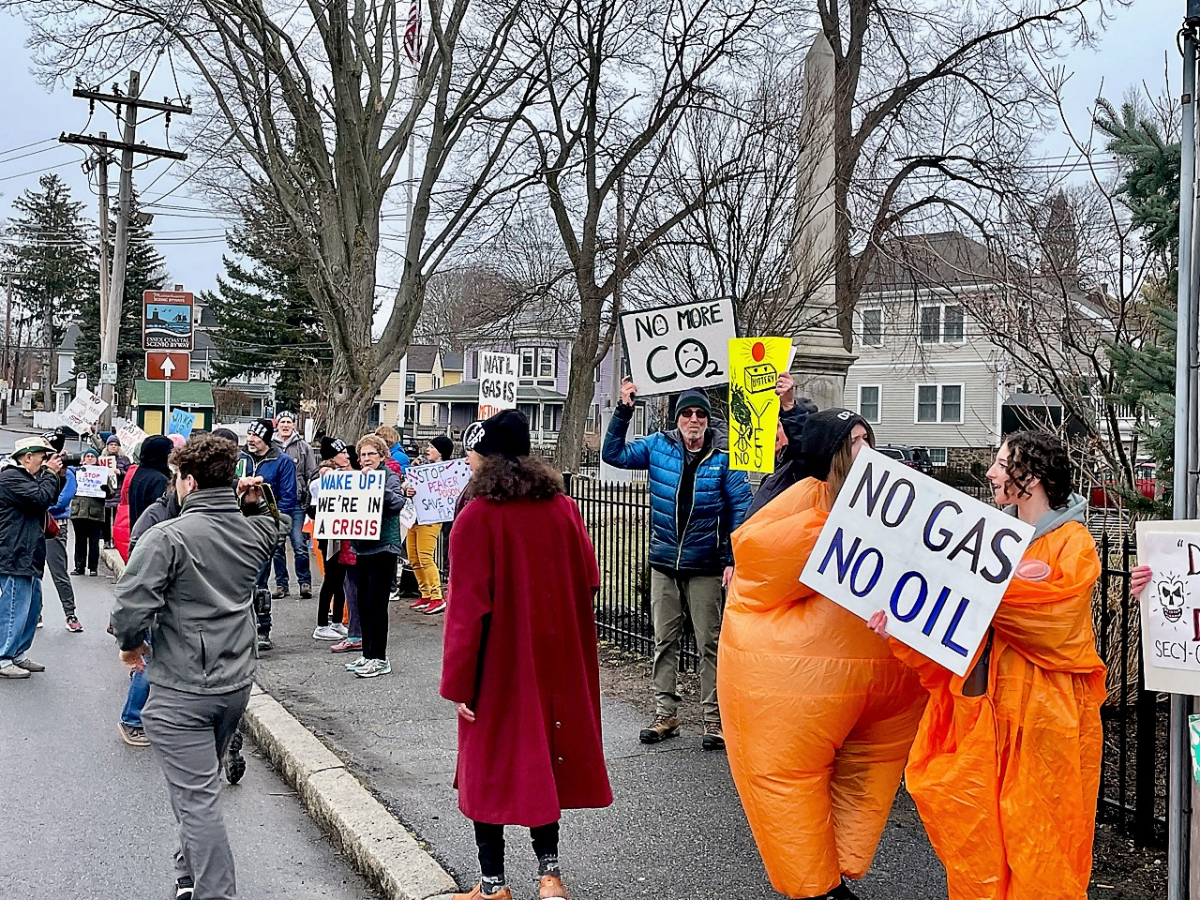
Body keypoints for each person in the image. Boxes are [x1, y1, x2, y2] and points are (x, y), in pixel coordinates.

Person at [864, 431, 1120, 900]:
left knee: (1039, 834)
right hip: (988, 713)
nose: (991, 472)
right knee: (981, 835)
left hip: (1046, 720)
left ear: (1032, 477)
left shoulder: (1072, 542)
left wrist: (988, 586)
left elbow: (1055, 624)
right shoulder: (991, 544)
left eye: (1002, 464)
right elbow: (959, 628)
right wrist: (902, 628)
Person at [717, 409, 927, 899]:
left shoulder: (891, 507)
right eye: (854, 442)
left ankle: (834, 876)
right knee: (790, 786)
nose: (866, 450)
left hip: (875, 687)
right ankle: (817, 886)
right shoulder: (799, 509)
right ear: (831, 455)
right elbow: (762, 559)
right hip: (795, 684)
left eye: (867, 438)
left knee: (859, 800)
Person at [442, 410, 612, 900]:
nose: (468, 461)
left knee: (486, 766)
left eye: (472, 453)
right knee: (546, 759)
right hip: (555, 655)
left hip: (497, 663)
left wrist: (459, 684)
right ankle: (549, 874)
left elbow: (466, 611)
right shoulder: (562, 506)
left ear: (485, 458)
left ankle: (493, 884)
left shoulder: (476, 516)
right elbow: (589, 577)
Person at [110, 434, 288, 900]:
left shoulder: (167, 537)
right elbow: (279, 524)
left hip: (183, 684)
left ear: (186, 481)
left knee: (197, 800)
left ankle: (214, 893)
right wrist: (255, 499)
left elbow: (130, 606)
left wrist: (130, 648)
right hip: (235, 680)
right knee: (200, 788)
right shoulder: (255, 532)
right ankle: (188, 876)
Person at [601, 378, 753, 748]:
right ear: (677, 418)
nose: (694, 420)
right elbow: (613, 454)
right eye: (687, 413)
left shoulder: (725, 456)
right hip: (665, 562)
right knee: (663, 640)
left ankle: (714, 720)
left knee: (710, 644)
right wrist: (624, 409)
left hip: (705, 565)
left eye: (700, 414)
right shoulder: (658, 447)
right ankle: (664, 715)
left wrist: (733, 558)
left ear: (708, 420)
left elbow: (740, 510)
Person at [116, 472, 183, 749]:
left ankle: (160, 717)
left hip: (172, 600)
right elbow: (138, 555)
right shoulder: (157, 514)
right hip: (156, 600)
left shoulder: (180, 511)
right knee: (151, 662)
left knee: (162, 662)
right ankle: (131, 720)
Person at [0, 436, 65, 679]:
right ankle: (3, 657)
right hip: (14, 553)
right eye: (43, 457)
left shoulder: (26, 479)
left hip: (27, 554)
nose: (47, 462)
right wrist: (50, 473)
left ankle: (17, 653)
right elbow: (41, 498)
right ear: (28, 457)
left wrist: (56, 474)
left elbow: (49, 497)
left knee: (31, 607)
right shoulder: (10, 477)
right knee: (14, 606)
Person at [347, 434, 405, 678]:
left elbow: (397, 503)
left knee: (376, 603)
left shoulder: (389, 477)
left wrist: (376, 485)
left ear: (382, 456)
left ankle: (380, 657)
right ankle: (368, 654)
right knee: (362, 602)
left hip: (383, 546)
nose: (367, 458)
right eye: (363, 454)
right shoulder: (355, 479)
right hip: (362, 546)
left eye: (372, 453)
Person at [237, 418, 298, 649]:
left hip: (265, 528)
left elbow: (288, 497)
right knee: (243, 580)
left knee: (260, 579)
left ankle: (263, 628)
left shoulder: (281, 462)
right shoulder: (241, 459)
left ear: (266, 437)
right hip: (241, 528)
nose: (251, 439)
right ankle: (243, 628)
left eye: (256, 435)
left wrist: (278, 528)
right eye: (249, 434)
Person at [744, 372, 818, 520]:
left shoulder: (800, 470)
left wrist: (789, 407)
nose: (773, 433)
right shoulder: (776, 468)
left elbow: (803, 449)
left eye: (779, 426)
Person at [406, 434, 455, 616]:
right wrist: (406, 489)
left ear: (441, 451)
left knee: (425, 556)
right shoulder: (419, 466)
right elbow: (407, 484)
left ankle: (436, 596)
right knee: (414, 557)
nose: (427, 449)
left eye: (432, 447)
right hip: (414, 517)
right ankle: (425, 593)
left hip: (431, 517)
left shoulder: (445, 471)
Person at [311, 437, 354, 641]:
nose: (346, 456)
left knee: (340, 578)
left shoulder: (346, 474)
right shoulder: (322, 478)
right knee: (331, 577)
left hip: (343, 533)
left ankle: (337, 621)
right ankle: (321, 624)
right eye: (342, 453)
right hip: (329, 534)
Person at [271, 411, 316, 598]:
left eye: (289, 422)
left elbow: (312, 474)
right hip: (275, 502)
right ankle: (281, 585)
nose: (286, 425)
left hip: (297, 502)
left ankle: (305, 582)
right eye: (282, 422)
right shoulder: (270, 447)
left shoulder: (304, 447)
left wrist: (308, 500)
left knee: (298, 543)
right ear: (277, 425)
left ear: (294, 425)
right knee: (277, 545)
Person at [44, 444, 82, 632]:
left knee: (59, 572)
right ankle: (35, 614)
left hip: (56, 525)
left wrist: (41, 505)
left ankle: (70, 613)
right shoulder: (40, 473)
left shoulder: (68, 475)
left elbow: (61, 501)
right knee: (31, 573)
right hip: (34, 524)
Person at [70, 448, 113, 576]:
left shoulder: (102, 474)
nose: (89, 458)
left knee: (94, 542)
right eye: (87, 456)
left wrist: (106, 490)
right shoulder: (77, 472)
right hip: (78, 512)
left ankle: (93, 568)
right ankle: (79, 567)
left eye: (92, 456)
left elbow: (110, 493)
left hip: (95, 513)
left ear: (96, 459)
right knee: (80, 541)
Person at [127, 434, 173, 528]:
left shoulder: (140, 472)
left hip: (138, 533)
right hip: (154, 535)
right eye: (170, 452)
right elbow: (162, 514)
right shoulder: (159, 480)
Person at [101, 435, 129, 548]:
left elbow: (129, 474)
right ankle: (107, 541)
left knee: (118, 520)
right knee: (106, 520)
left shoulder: (124, 459)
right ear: (107, 446)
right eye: (111, 445)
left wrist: (120, 472)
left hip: (119, 493)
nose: (113, 447)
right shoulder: (102, 459)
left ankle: (116, 540)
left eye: (115, 445)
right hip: (107, 494)